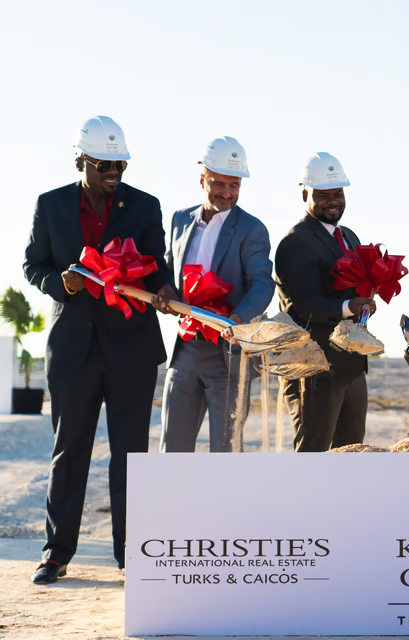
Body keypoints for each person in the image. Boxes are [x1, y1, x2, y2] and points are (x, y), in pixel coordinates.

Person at [23, 116, 177, 583]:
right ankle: (56, 553)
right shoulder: (49, 206)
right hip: (73, 349)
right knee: (70, 450)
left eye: (121, 164)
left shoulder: (146, 206)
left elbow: (156, 264)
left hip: (131, 347)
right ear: (80, 161)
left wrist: (167, 289)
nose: (114, 172)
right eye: (105, 164)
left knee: (131, 453)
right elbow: (33, 266)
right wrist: (59, 282)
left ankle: (133, 553)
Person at [158, 137, 274, 453]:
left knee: (226, 454)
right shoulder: (180, 219)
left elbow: (263, 284)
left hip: (229, 354)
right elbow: (170, 270)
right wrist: (165, 289)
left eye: (234, 185)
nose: (226, 193)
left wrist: (237, 319)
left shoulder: (252, 229)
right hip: (185, 350)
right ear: (202, 179)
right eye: (218, 184)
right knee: (173, 449)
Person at [274, 153, 374, 452]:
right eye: (323, 195)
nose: (333, 201)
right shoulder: (295, 242)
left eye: (338, 193)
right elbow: (301, 307)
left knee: (351, 453)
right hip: (314, 369)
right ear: (306, 193)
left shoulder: (350, 237)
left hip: (352, 365)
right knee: (314, 454)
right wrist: (348, 307)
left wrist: (365, 303)